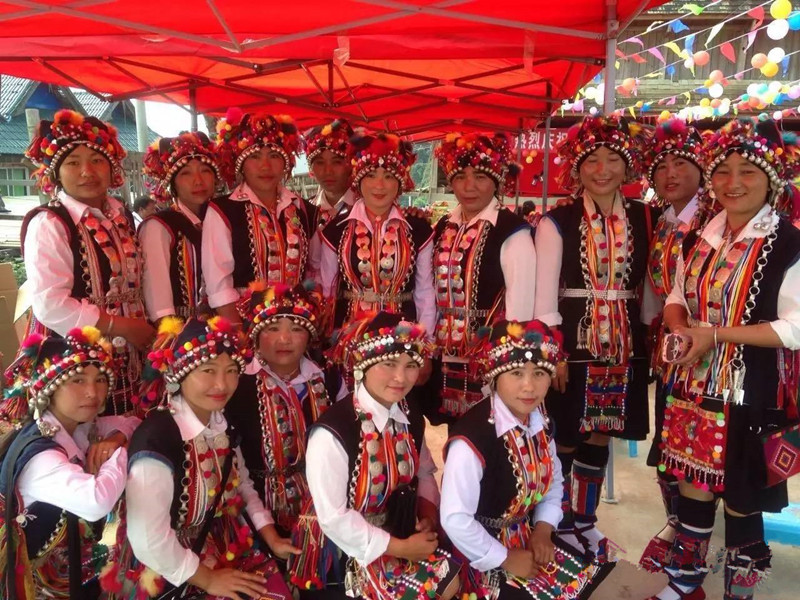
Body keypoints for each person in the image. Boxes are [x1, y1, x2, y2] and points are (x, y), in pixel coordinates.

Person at [651, 118, 800, 600]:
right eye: (724, 171)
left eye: (748, 172)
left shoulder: (789, 243)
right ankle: (685, 585)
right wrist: (680, 329)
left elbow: (794, 328)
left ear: (772, 179)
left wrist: (714, 334)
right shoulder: (703, 236)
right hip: (692, 382)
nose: (733, 183)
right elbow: (675, 292)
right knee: (693, 483)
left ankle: (740, 593)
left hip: (750, 388)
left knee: (740, 498)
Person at [533, 115, 655, 560]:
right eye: (592, 160)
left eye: (612, 160)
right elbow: (545, 292)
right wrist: (554, 350)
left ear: (627, 168)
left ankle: (584, 521)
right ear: (577, 168)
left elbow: (651, 289)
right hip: (574, 342)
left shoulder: (646, 216)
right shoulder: (557, 220)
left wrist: (653, 339)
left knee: (604, 433)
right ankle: (556, 519)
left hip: (625, 344)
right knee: (566, 433)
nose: (602, 169)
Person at [103, 316, 293, 600]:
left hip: (227, 544)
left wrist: (270, 536)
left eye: (231, 370)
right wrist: (209, 580)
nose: (222, 383)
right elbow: (147, 539)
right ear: (179, 375)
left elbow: (242, 486)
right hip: (169, 566)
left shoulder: (221, 422)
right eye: (208, 370)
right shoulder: (158, 439)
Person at [441, 319, 610, 600]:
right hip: (478, 552)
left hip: (527, 538)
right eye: (516, 373)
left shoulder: (538, 421)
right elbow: (455, 519)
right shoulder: (472, 440)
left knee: (590, 585)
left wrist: (544, 528)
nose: (529, 386)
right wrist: (504, 557)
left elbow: (554, 481)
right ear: (495, 376)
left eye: (540, 373)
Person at [305, 312, 461, 600]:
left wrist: (427, 515)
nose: (401, 377)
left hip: (400, 535)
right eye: (389, 364)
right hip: (345, 557)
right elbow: (333, 519)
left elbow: (424, 471)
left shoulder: (408, 415)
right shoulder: (333, 432)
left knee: (453, 580)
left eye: (411, 365)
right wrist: (401, 549)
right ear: (364, 363)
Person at [19, 110, 155, 417]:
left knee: (124, 432)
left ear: (111, 168)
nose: (86, 171)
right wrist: (118, 325)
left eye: (96, 160)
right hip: (77, 359)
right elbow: (50, 304)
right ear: (55, 173)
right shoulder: (51, 223)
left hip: (130, 353)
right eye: (72, 162)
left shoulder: (121, 218)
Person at [225, 280, 348, 596]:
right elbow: (237, 475)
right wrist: (267, 532)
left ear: (309, 334)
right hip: (254, 517)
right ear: (254, 334)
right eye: (272, 328)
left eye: (295, 328)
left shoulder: (330, 381)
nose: (284, 339)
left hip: (326, 511)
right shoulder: (236, 388)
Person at [0, 326, 139, 599]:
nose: (92, 392)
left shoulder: (77, 428)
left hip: (73, 574)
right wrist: (122, 452)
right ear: (50, 387)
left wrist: (116, 439)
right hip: (37, 589)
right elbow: (96, 502)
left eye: (100, 379)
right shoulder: (42, 457)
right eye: (77, 380)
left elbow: (132, 421)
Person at [638, 118, 715, 573]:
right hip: (669, 348)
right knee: (668, 443)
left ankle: (693, 541)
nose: (670, 173)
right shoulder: (662, 218)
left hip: (708, 351)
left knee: (702, 451)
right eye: (662, 165)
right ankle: (678, 524)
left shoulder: (712, 218)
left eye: (681, 163)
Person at [427, 132, 534, 422]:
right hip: (446, 356)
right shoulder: (443, 227)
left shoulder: (513, 231)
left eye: (480, 177)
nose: (469, 186)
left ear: (497, 180)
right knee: (455, 431)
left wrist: (511, 362)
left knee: (491, 430)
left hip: (490, 354)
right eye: (460, 176)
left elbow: (521, 307)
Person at [205, 109, 317, 326]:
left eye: (274, 156)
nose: (265, 166)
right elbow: (218, 284)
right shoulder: (222, 211)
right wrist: (237, 332)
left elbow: (315, 269)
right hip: (245, 324)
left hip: (297, 323)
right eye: (255, 156)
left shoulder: (303, 208)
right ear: (240, 163)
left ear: (286, 162)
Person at [318, 133, 436, 338]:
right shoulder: (335, 230)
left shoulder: (418, 229)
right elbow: (326, 289)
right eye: (371, 175)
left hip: (404, 337)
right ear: (358, 179)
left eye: (389, 176)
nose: (379, 185)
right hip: (349, 336)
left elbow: (425, 291)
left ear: (400, 182)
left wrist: (426, 341)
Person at [139, 132, 221, 323]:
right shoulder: (159, 226)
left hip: (221, 327)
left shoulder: (220, 219)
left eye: (205, 171)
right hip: (181, 334)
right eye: (186, 173)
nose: (198, 181)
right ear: (172, 182)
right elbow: (157, 295)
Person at [305, 119, 357, 283]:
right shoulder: (304, 211)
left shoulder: (366, 208)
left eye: (337, 162)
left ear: (350, 165)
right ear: (311, 168)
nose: (328, 171)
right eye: (319, 162)